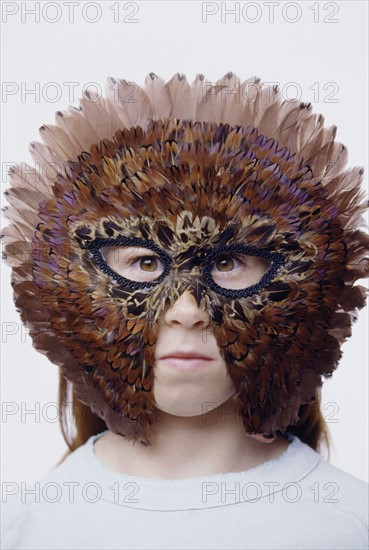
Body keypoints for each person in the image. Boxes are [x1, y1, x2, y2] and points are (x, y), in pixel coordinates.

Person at [1, 72, 368, 549]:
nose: (187, 311)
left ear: (309, 283)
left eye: (228, 262)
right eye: (145, 262)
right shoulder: (26, 528)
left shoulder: (351, 525)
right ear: (65, 283)